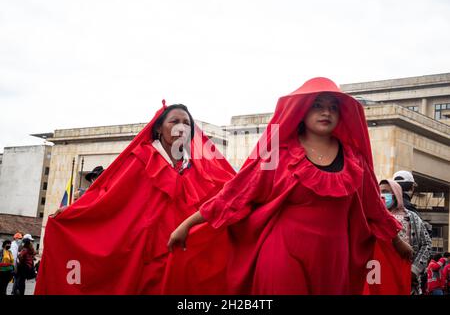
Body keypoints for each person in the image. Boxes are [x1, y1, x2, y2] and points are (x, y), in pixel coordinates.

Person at [168, 77, 412, 295]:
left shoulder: (354, 160)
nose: (326, 111)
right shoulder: (277, 154)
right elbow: (236, 194)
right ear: (302, 111)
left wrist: (397, 241)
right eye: (318, 105)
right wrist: (187, 224)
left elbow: (373, 208)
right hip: (283, 253)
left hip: (333, 259)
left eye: (333, 107)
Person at [35, 101, 236, 294]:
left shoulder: (199, 170)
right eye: (174, 122)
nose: (181, 127)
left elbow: (224, 198)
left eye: (187, 123)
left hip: (182, 256)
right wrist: (75, 211)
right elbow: (109, 194)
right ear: (159, 129)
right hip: (145, 255)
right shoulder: (142, 158)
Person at [379, 179, 432, 294]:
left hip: (407, 282)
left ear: (396, 193)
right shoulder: (373, 218)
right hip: (380, 278)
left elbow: (426, 244)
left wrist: (414, 271)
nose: (382, 195)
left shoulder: (412, 217)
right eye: (379, 192)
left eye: (385, 191)